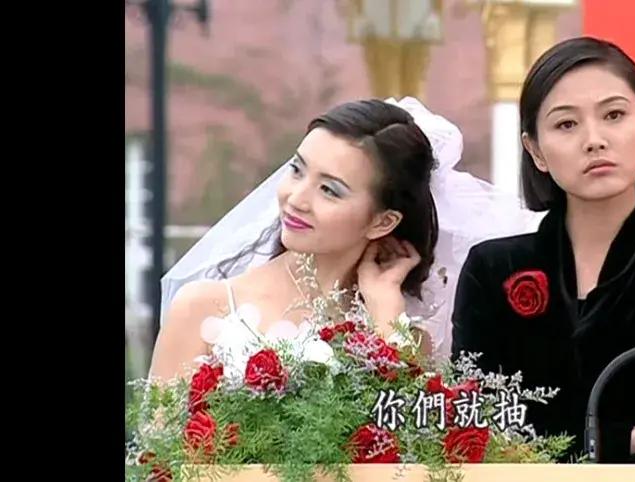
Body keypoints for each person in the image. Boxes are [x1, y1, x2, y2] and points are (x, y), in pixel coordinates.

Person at [450, 37, 635, 464]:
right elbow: (476, 434)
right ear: (535, 150)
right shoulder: (493, 269)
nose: (594, 140)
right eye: (566, 124)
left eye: (614, 115)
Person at [150, 97, 541, 381]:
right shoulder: (204, 307)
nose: (296, 198)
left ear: (383, 222)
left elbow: (415, 451)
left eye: (330, 190)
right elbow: (157, 457)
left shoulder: (403, 333)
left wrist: (385, 310)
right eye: (297, 170)